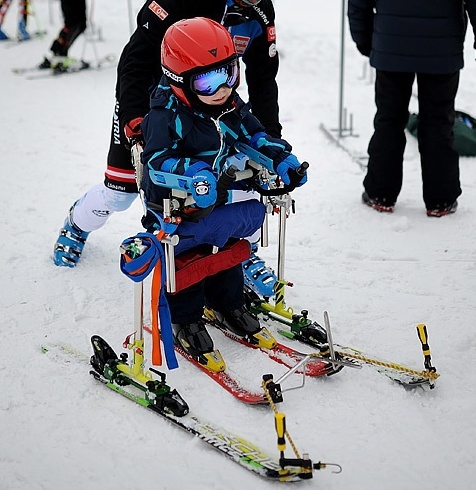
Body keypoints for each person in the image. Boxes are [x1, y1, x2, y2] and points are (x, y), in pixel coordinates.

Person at [53, 0, 281, 297]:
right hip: (157, 106)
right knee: (121, 192)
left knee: (241, 174)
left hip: (214, 101)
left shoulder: (260, 11)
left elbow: (263, 77)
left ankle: (242, 251)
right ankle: (78, 221)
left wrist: (269, 138)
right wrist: (134, 119)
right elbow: (135, 61)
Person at [139, 16, 306, 370]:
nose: (221, 88)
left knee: (228, 249)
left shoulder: (228, 104)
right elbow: (157, 162)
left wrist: (279, 157)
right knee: (189, 258)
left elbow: (252, 135)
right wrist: (191, 174)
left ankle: (228, 302)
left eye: (228, 72)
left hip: (223, 199)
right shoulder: (165, 114)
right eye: (206, 79)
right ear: (178, 79)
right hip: (179, 207)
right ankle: (186, 316)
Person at [348, 0, 476, 217]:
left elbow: (358, 4)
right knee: (439, 121)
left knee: (389, 120)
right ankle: (441, 200)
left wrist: (366, 41)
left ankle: (380, 194)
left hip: (391, 42)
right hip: (442, 47)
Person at [38, 0, 87, 71]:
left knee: (69, 31)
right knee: (69, 31)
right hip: (74, 22)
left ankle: (59, 55)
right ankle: (59, 56)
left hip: (73, 21)